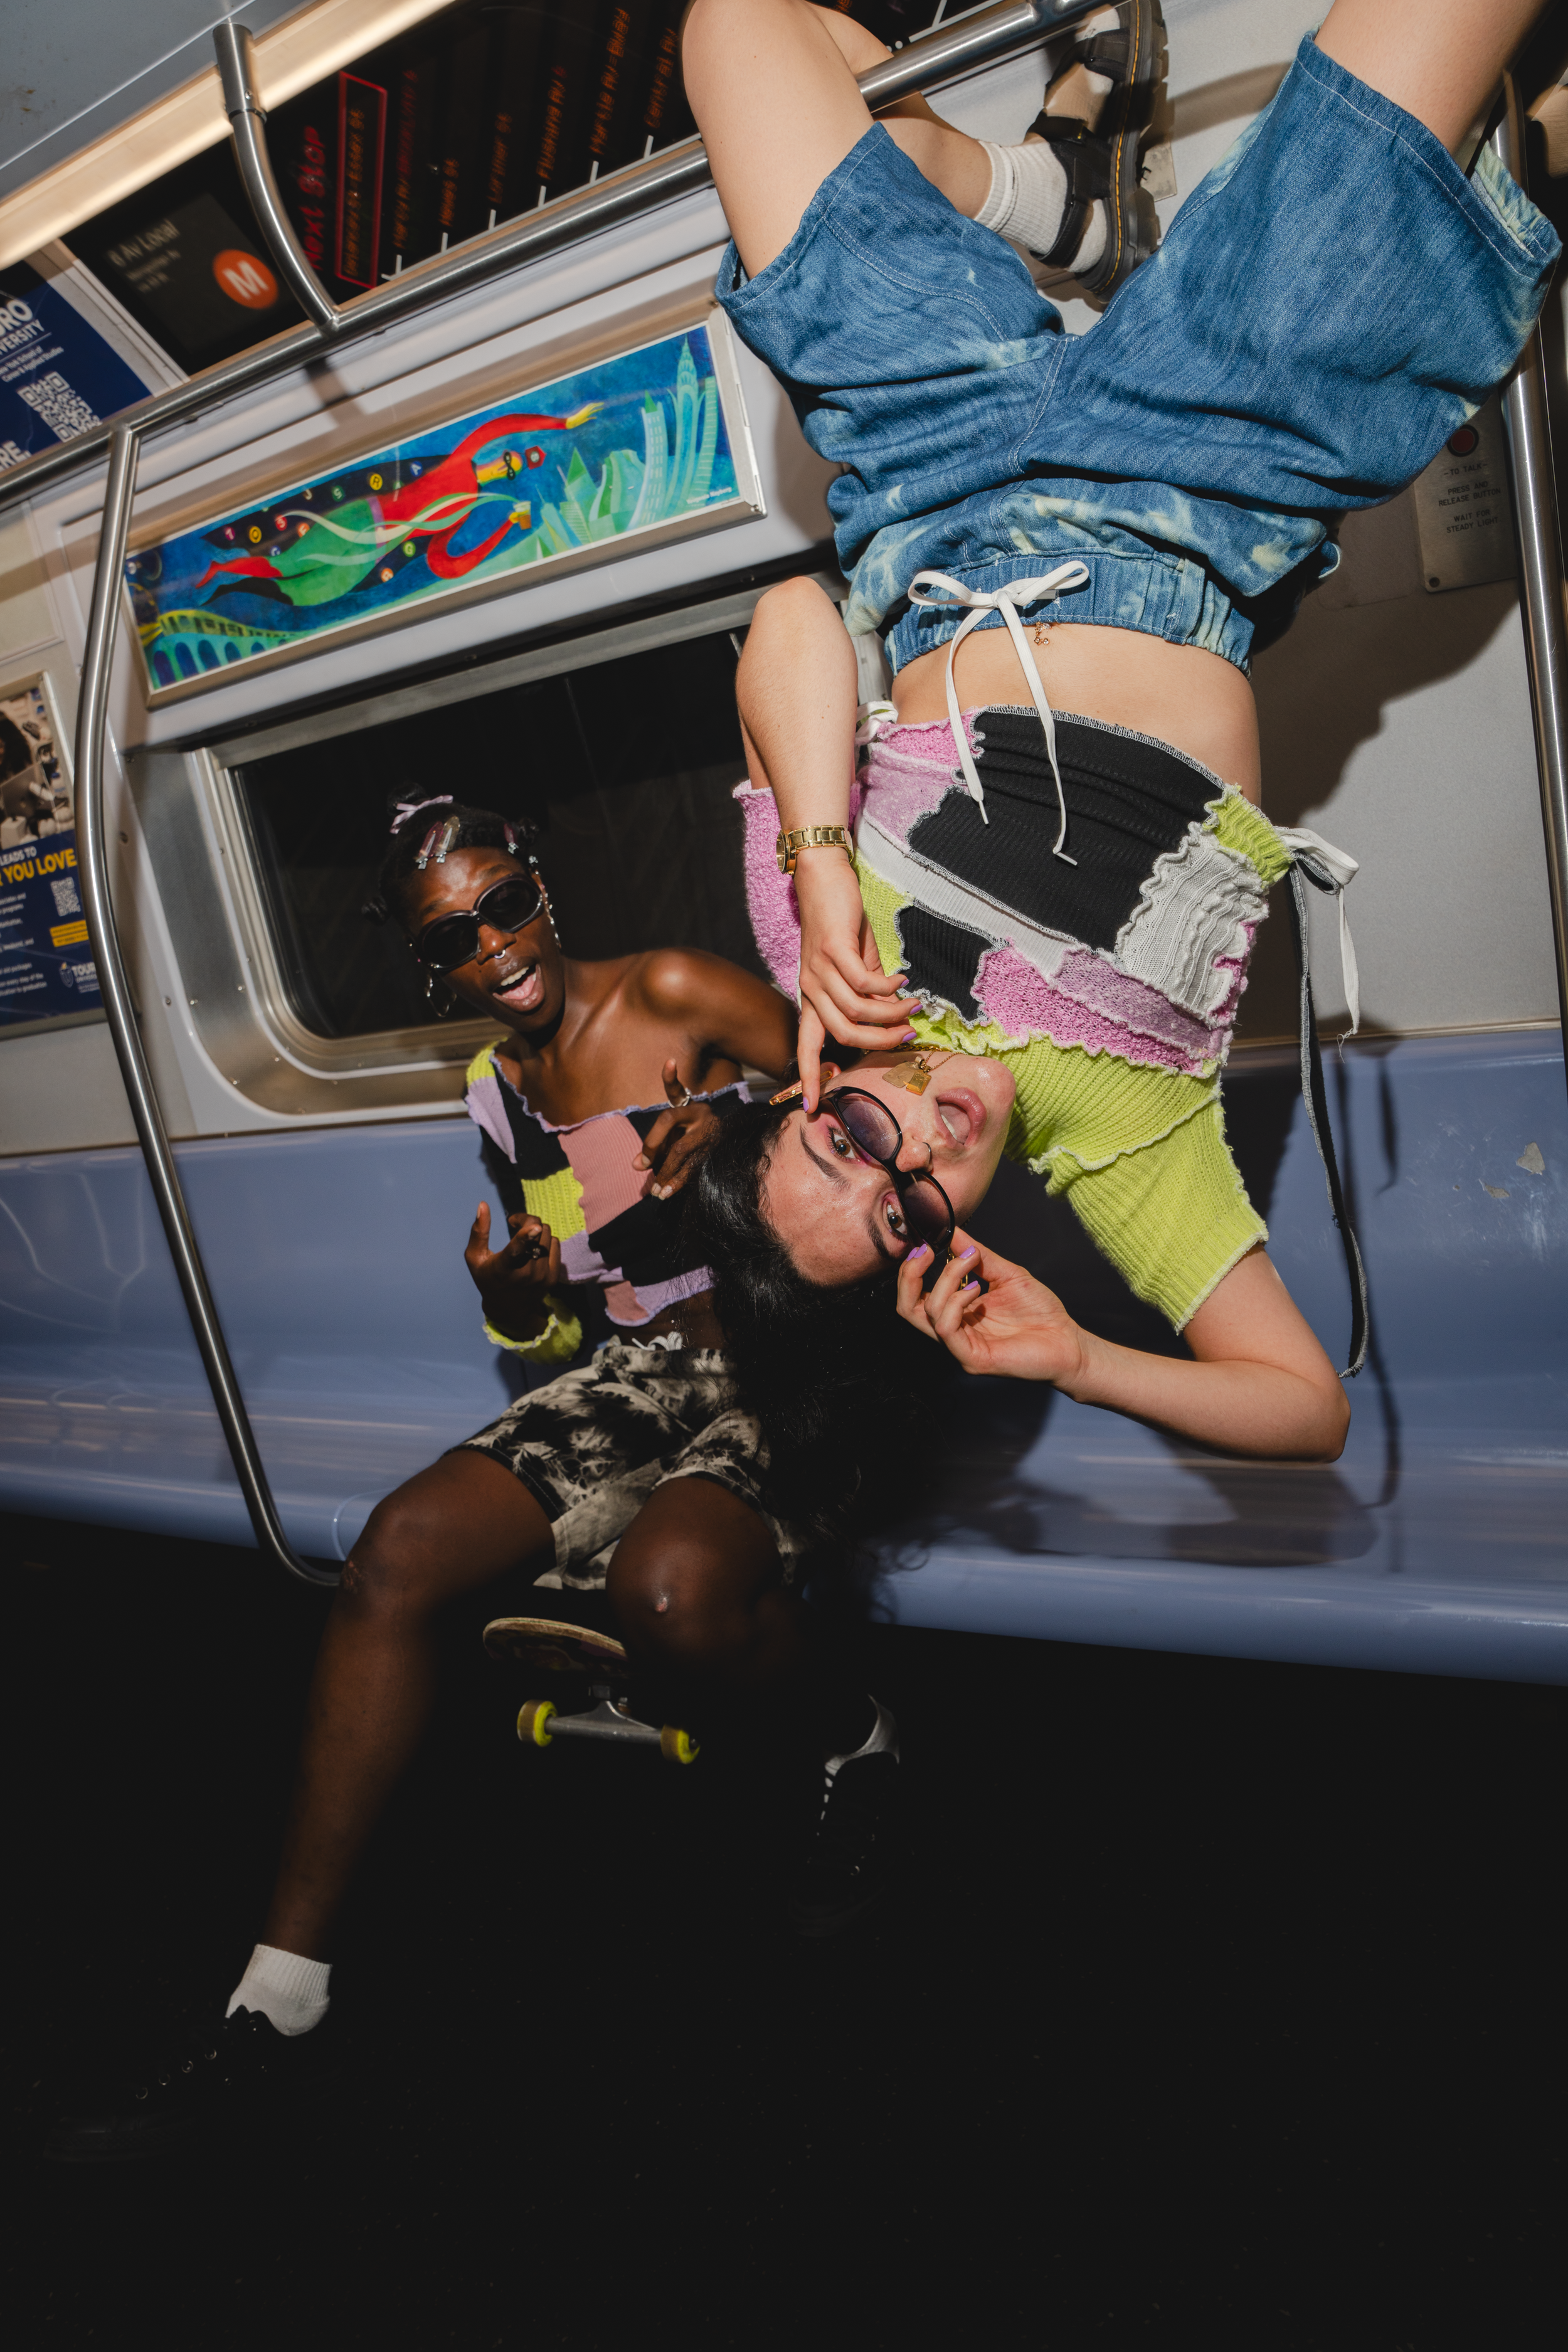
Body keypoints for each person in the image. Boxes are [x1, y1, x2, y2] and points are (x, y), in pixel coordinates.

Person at [674, 0, 1557, 1470]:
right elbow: (1302, 1408)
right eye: (905, 1215)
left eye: (848, 1143)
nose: (919, 1151)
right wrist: (1082, 1359)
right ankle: (1038, 196)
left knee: (736, 30)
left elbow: (791, 619)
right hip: (1195, 468)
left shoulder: (815, 963)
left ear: (801, 1100)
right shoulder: (1118, 1147)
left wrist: (820, 862)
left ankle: (1036, 197)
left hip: (927, 470)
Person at [48, 789, 910, 2165]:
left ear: (541, 894)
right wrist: (514, 1300)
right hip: (643, 1373)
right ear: (428, 966)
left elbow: (888, 1092)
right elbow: (559, 1326)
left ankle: (844, 1729)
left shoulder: (673, 991)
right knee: (392, 1554)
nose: (493, 945)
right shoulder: (498, 1096)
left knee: (671, 1598)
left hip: (790, 1349)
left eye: (505, 904)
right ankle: (280, 1996)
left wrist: (745, 1136)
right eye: (452, 937)